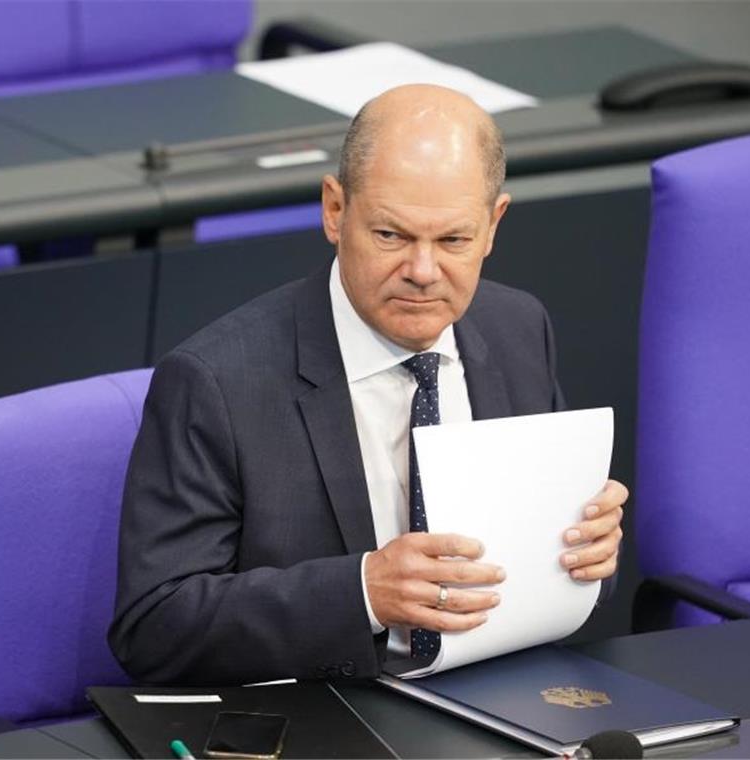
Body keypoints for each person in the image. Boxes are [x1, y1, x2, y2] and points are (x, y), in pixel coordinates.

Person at [108, 84, 626, 685]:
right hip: (324, 710)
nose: (424, 273)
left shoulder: (518, 329)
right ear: (335, 210)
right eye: (391, 236)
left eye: (454, 240)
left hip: (498, 689)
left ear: (493, 224)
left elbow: (555, 567)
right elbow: (154, 626)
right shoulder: (217, 382)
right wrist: (363, 595)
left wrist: (584, 556)